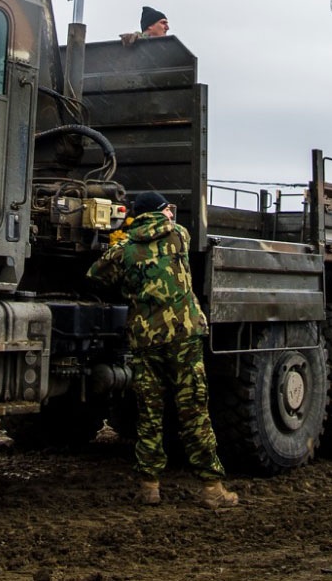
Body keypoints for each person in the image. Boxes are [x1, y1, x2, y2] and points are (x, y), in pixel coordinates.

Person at [86, 191, 238, 509]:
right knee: (194, 412)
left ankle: (149, 487)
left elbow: (96, 275)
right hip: (184, 336)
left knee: (149, 415)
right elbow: (169, 226)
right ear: (162, 212)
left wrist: (126, 275)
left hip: (146, 340)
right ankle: (212, 488)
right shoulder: (179, 236)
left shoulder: (123, 249)